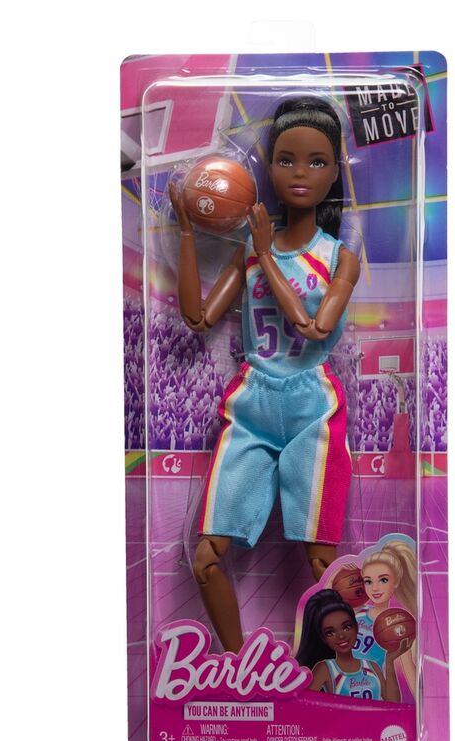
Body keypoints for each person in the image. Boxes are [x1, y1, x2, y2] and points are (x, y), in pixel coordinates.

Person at [168, 97, 361, 653]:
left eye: (317, 162)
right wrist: (187, 231)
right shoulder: (251, 250)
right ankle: (237, 667)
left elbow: (313, 328)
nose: (300, 173)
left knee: (323, 561)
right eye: (286, 159)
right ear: (269, 168)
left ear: (335, 172)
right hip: (251, 400)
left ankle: (343, 667)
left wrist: (265, 255)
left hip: (312, 407)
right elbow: (197, 317)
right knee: (206, 558)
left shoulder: (339, 258)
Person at [295, 590, 406, 702]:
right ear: (323, 638)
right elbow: (304, 705)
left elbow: (394, 703)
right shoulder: (325, 668)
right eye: (330, 632)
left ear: (356, 627)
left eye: (346, 627)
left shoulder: (371, 666)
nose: (341, 636)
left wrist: (389, 661)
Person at [357, 540, 419, 697]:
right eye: (368, 581)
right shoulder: (356, 613)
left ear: (396, 581)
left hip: (375, 692)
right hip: (343, 686)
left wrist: (424, 704)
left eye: (383, 580)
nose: (375, 588)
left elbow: (409, 670)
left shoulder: (398, 624)